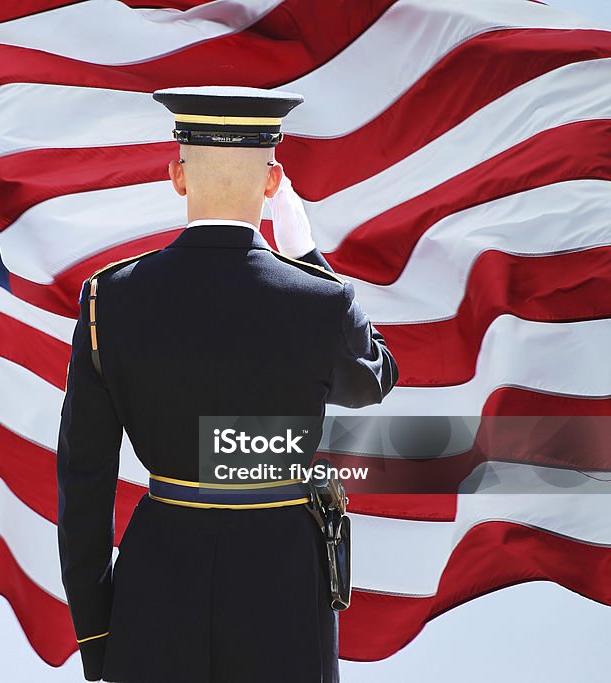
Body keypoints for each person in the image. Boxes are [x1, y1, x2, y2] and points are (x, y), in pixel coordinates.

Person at [56, 86, 399, 683]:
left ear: (177, 176)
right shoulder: (320, 302)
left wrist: (99, 635)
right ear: (272, 183)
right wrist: (309, 257)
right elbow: (375, 376)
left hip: (157, 584)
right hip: (284, 586)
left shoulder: (108, 299)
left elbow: (84, 483)